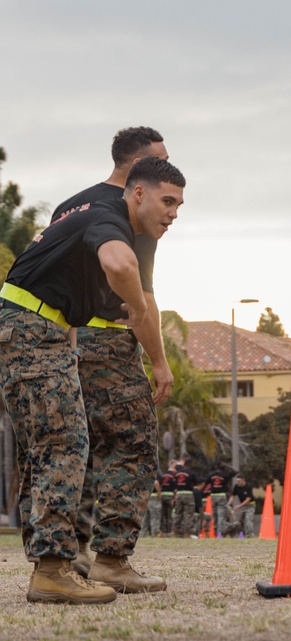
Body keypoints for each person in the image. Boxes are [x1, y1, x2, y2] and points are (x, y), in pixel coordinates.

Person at [0, 156, 184, 604]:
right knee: (63, 443)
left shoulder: (87, 207)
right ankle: (52, 571)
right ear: (137, 192)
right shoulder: (108, 216)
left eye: (179, 206)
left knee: (58, 443)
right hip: (31, 330)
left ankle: (56, 565)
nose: (173, 214)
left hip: (39, 327)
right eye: (167, 201)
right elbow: (120, 266)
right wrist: (138, 309)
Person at [48, 128, 172, 588]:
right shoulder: (131, 211)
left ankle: (73, 552)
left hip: (64, 339)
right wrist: (158, 360)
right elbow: (140, 291)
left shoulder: (74, 204)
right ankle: (112, 560)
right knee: (130, 444)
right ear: (137, 171)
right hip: (108, 340)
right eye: (159, 161)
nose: (167, 170)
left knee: (77, 445)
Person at [205, 462, 237, 539]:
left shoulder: (211, 475)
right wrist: (228, 465)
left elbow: (206, 482)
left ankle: (216, 532)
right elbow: (236, 471)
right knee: (221, 516)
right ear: (224, 468)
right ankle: (220, 534)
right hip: (222, 496)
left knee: (215, 515)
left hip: (213, 496)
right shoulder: (225, 475)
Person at [171, 458, 199, 538]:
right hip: (188, 494)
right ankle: (188, 533)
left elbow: (175, 484)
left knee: (178, 513)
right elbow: (196, 484)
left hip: (179, 494)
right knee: (189, 514)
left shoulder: (177, 473)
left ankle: (175, 532)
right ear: (190, 464)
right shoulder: (191, 473)